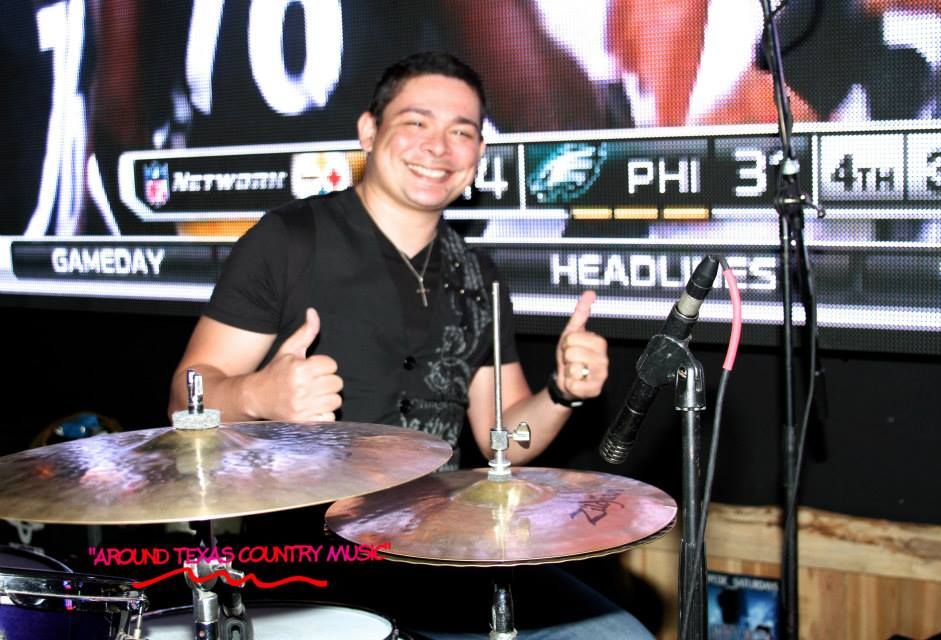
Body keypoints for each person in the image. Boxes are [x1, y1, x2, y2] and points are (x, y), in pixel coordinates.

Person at [168, 51, 652, 638]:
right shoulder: (288, 241)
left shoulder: (479, 274)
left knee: (619, 635)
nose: (439, 147)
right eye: (416, 122)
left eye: (461, 132)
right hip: (314, 564)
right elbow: (185, 397)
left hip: (444, 551)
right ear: (369, 131)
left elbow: (505, 437)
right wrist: (256, 394)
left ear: (479, 154)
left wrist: (561, 393)